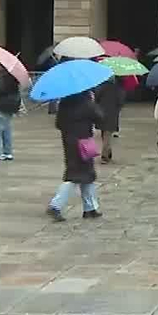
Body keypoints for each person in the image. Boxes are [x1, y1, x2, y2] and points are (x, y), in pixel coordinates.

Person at [48, 90, 103, 220]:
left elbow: (58, 124)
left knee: (87, 175)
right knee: (75, 175)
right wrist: (93, 103)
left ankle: (90, 208)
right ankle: (56, 205)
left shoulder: (64, 102)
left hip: (69, 142)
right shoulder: (86, 102)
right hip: (83, 142)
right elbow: (100, 117)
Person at [94, 74, 124, 163]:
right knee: (107, 135)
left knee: (104, 134)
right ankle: (105, 155)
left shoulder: (101, 86)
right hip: (112, 114)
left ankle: (107, 151)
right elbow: (120, 101)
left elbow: (96, 98)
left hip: (101, 113)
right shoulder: (118, 88)